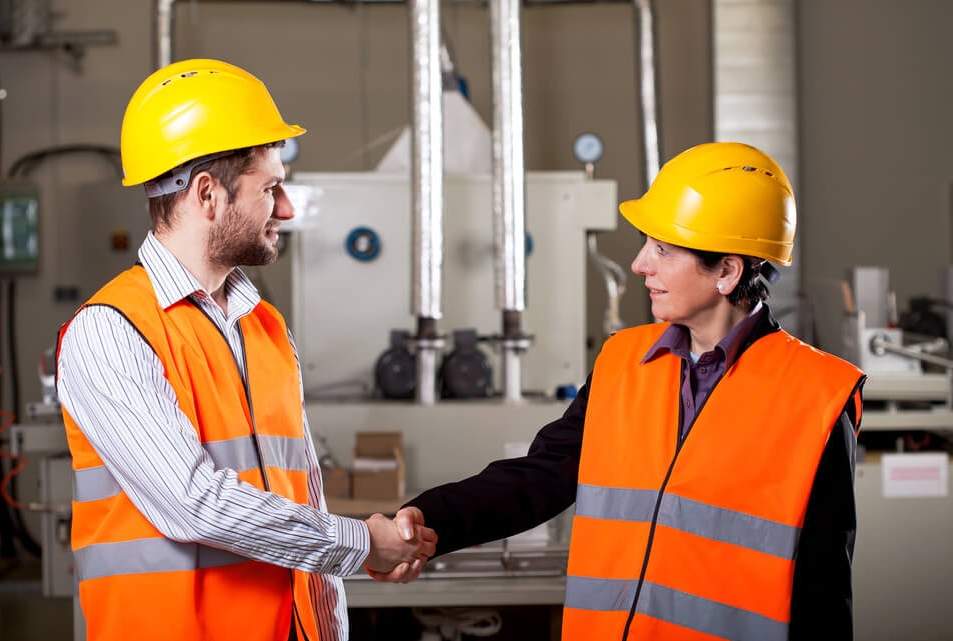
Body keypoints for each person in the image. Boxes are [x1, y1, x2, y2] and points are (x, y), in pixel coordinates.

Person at [383, 142, 866, 641]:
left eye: (663, 249)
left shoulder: (815, 396)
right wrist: (428, 522)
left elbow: (823, 594)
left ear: (727, 270)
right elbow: (540, 478)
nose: (639, 264)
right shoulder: (623, 361)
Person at [56, 58, 436, 641]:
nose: (285, 210)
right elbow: (193, 503)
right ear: (208, 195)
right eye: (271, 189)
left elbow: (303, 494)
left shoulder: (263, 326)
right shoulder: (111, 331)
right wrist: (363, 545)